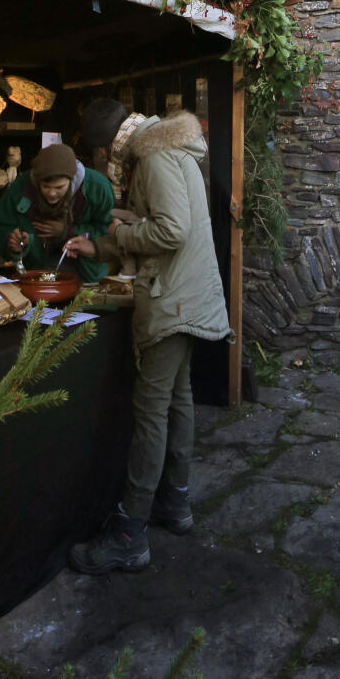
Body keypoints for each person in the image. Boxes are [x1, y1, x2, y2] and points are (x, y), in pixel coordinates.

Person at [64, 98, 232, 574]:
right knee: (179, 399)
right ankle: (175, 505)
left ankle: (129, 532)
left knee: (152, 411)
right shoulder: (171, 148)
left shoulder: (154, 157)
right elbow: (168, 223)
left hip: (172, 297)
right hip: (189, 292)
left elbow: (171, 231)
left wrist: (125, 234)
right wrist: (104, 242)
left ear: (115, 143)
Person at [0, 142, 112, 283]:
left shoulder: (98, 188)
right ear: (37, 181)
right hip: (35, 272)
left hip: (86, 273)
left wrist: (68, 231)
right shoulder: (20, 189)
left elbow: (109, 234)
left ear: (72, 179)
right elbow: (2, 230)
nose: (52, 193)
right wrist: (16, 245)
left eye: (59, 187)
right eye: (46, 187)